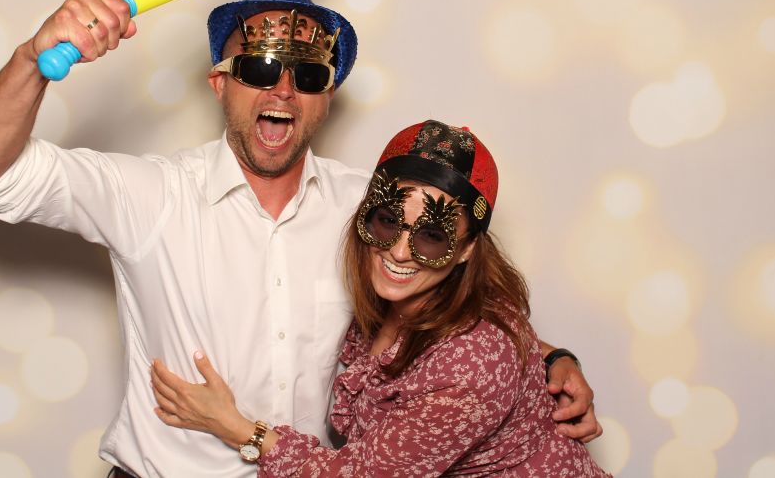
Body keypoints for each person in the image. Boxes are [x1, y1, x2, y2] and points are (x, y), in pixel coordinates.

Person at [0, 0, 600, 478]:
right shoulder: (152, 195)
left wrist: (548, 360)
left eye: (307, 73)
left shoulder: (371, 209)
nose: (283, 89)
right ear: (220, 83)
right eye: (259, 67)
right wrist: (32, 58)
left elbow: (449, 301)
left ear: (326, 97)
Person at [150, 120, 611, 476]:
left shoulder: (474, 361)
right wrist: (557, 357)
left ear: (467, 249)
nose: (399, 251)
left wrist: (233, 426)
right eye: (388, 220)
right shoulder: (399, 303)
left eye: (432, 236)